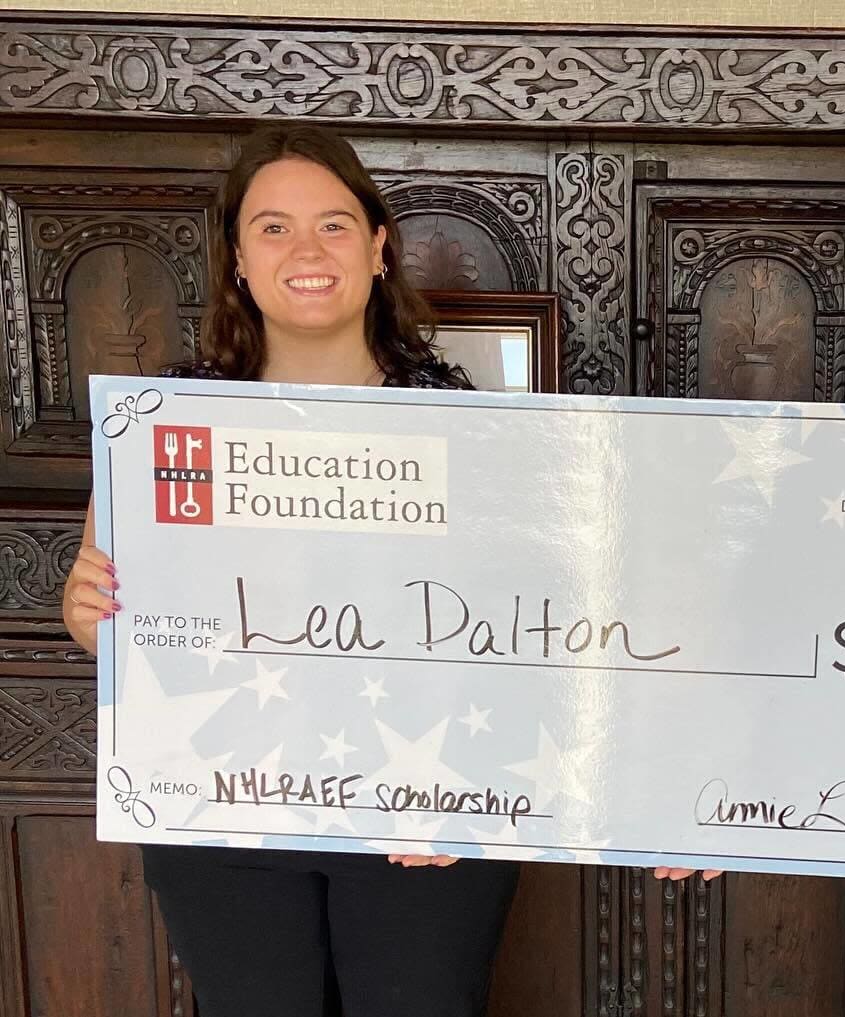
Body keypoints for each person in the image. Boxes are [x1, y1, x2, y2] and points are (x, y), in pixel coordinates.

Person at [62, 125, 517, 1017]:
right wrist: (89, 617)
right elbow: (112, 617)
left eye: (333, 225)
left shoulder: (467, 424)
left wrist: (469, 781)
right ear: (238, 258)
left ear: (378, 247)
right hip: (222, 808)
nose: (306, 251)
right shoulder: (161, 423)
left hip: (418, 809)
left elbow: (517, 632)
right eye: (273, 228)